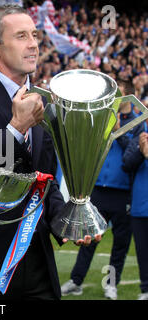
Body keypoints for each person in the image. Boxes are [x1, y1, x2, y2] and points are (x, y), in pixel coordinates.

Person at [0, 4, 98, 300]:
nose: (33, 44)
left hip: (38, 261)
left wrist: (68, 220)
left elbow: (46, 180)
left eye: (35, 35)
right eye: (21, 36)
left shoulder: (48, 101)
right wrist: (15, 128)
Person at [61, 81, 144, 300]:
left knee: (120, 243)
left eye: (116, 95)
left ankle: (111, 284)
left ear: (127, 98)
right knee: (88, 238)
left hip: (123, 191)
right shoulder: (101, 117)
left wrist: (120, 132)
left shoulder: (138, 122)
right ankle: (76, 281)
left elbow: (133, 156)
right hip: (97, 188)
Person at [122, 123, 148, 300]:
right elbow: (126, 163)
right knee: (143, 251)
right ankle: (146, 288)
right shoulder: (141, 133)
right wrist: (141, 151)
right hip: (140, 205)